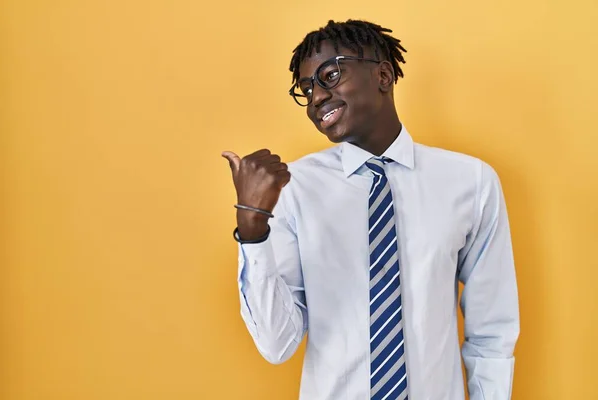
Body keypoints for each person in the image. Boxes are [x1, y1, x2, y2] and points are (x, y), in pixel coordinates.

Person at [222, 19, 519, 400]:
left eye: (329, 75)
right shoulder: (291, 189)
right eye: (306, 89)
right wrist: (252, 228)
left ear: (382, 75)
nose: (315, 98)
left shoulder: (471, 182)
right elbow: (277, 344)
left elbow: (492, 330)